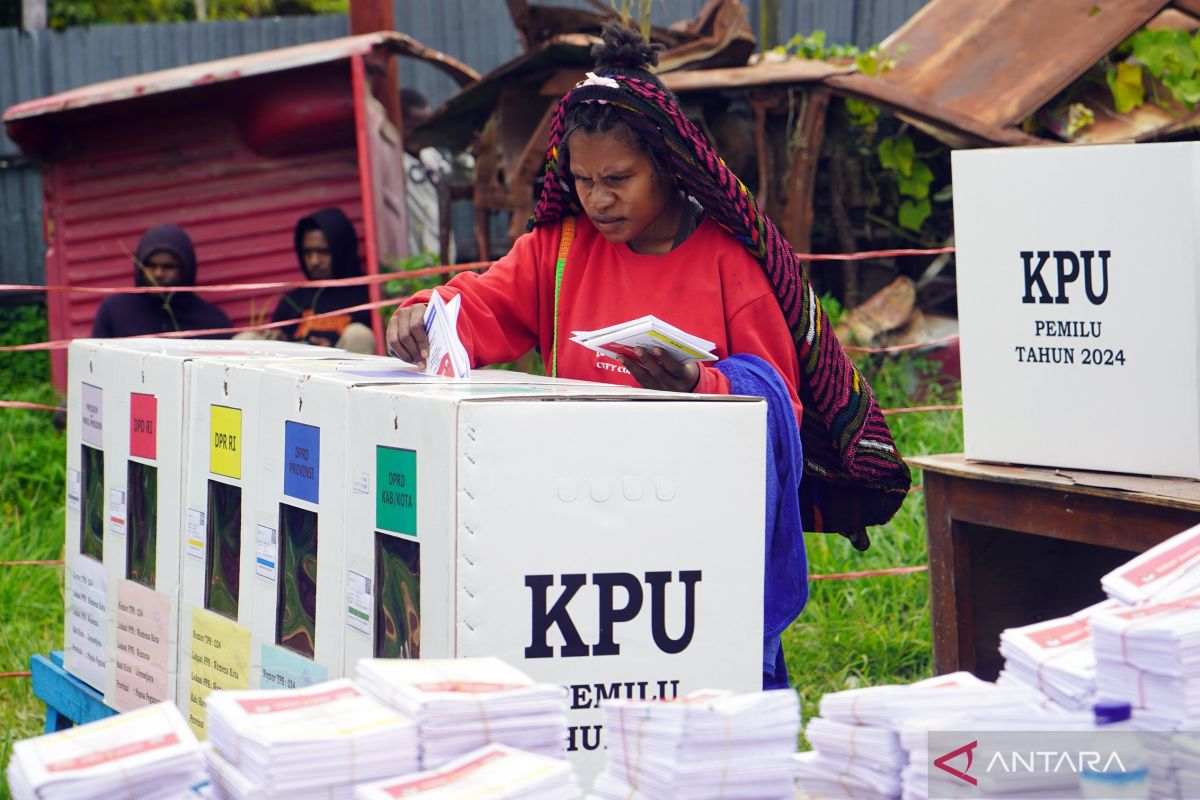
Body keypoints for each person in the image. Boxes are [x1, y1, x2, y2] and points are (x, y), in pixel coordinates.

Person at [387, 24, 910, 687]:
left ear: (667, 164)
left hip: (690, 535)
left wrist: (702, 383)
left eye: (618, 178)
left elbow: (779, 404)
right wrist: (425, 316)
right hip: (577, 511)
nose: (598, 199)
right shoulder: (562, 246)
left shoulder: (729, 263)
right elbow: (485, 304)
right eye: (580, 180)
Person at [91, 223, 231, 339]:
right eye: (151, 265)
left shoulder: (212, 322)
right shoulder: (115, 311)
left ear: (186, 270)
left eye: (168, 267)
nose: (158, 274)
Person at [267, 208, 375, 352]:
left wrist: (330, 350)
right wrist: (278, 339)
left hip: (342, 371)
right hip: (294, 370)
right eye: (308, 253)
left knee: (358, 335)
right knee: (247, 338)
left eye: (323, 252)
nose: (314, 261)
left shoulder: (367, 298)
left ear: (341, 250)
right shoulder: (293, 301)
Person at [400, 88, 455, 262]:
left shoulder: (432, 156)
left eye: (428, 124)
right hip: (412, 261)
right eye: (416, 126)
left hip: (442, 255)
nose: (424, 132)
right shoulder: (395, 163)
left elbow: (459, 180)